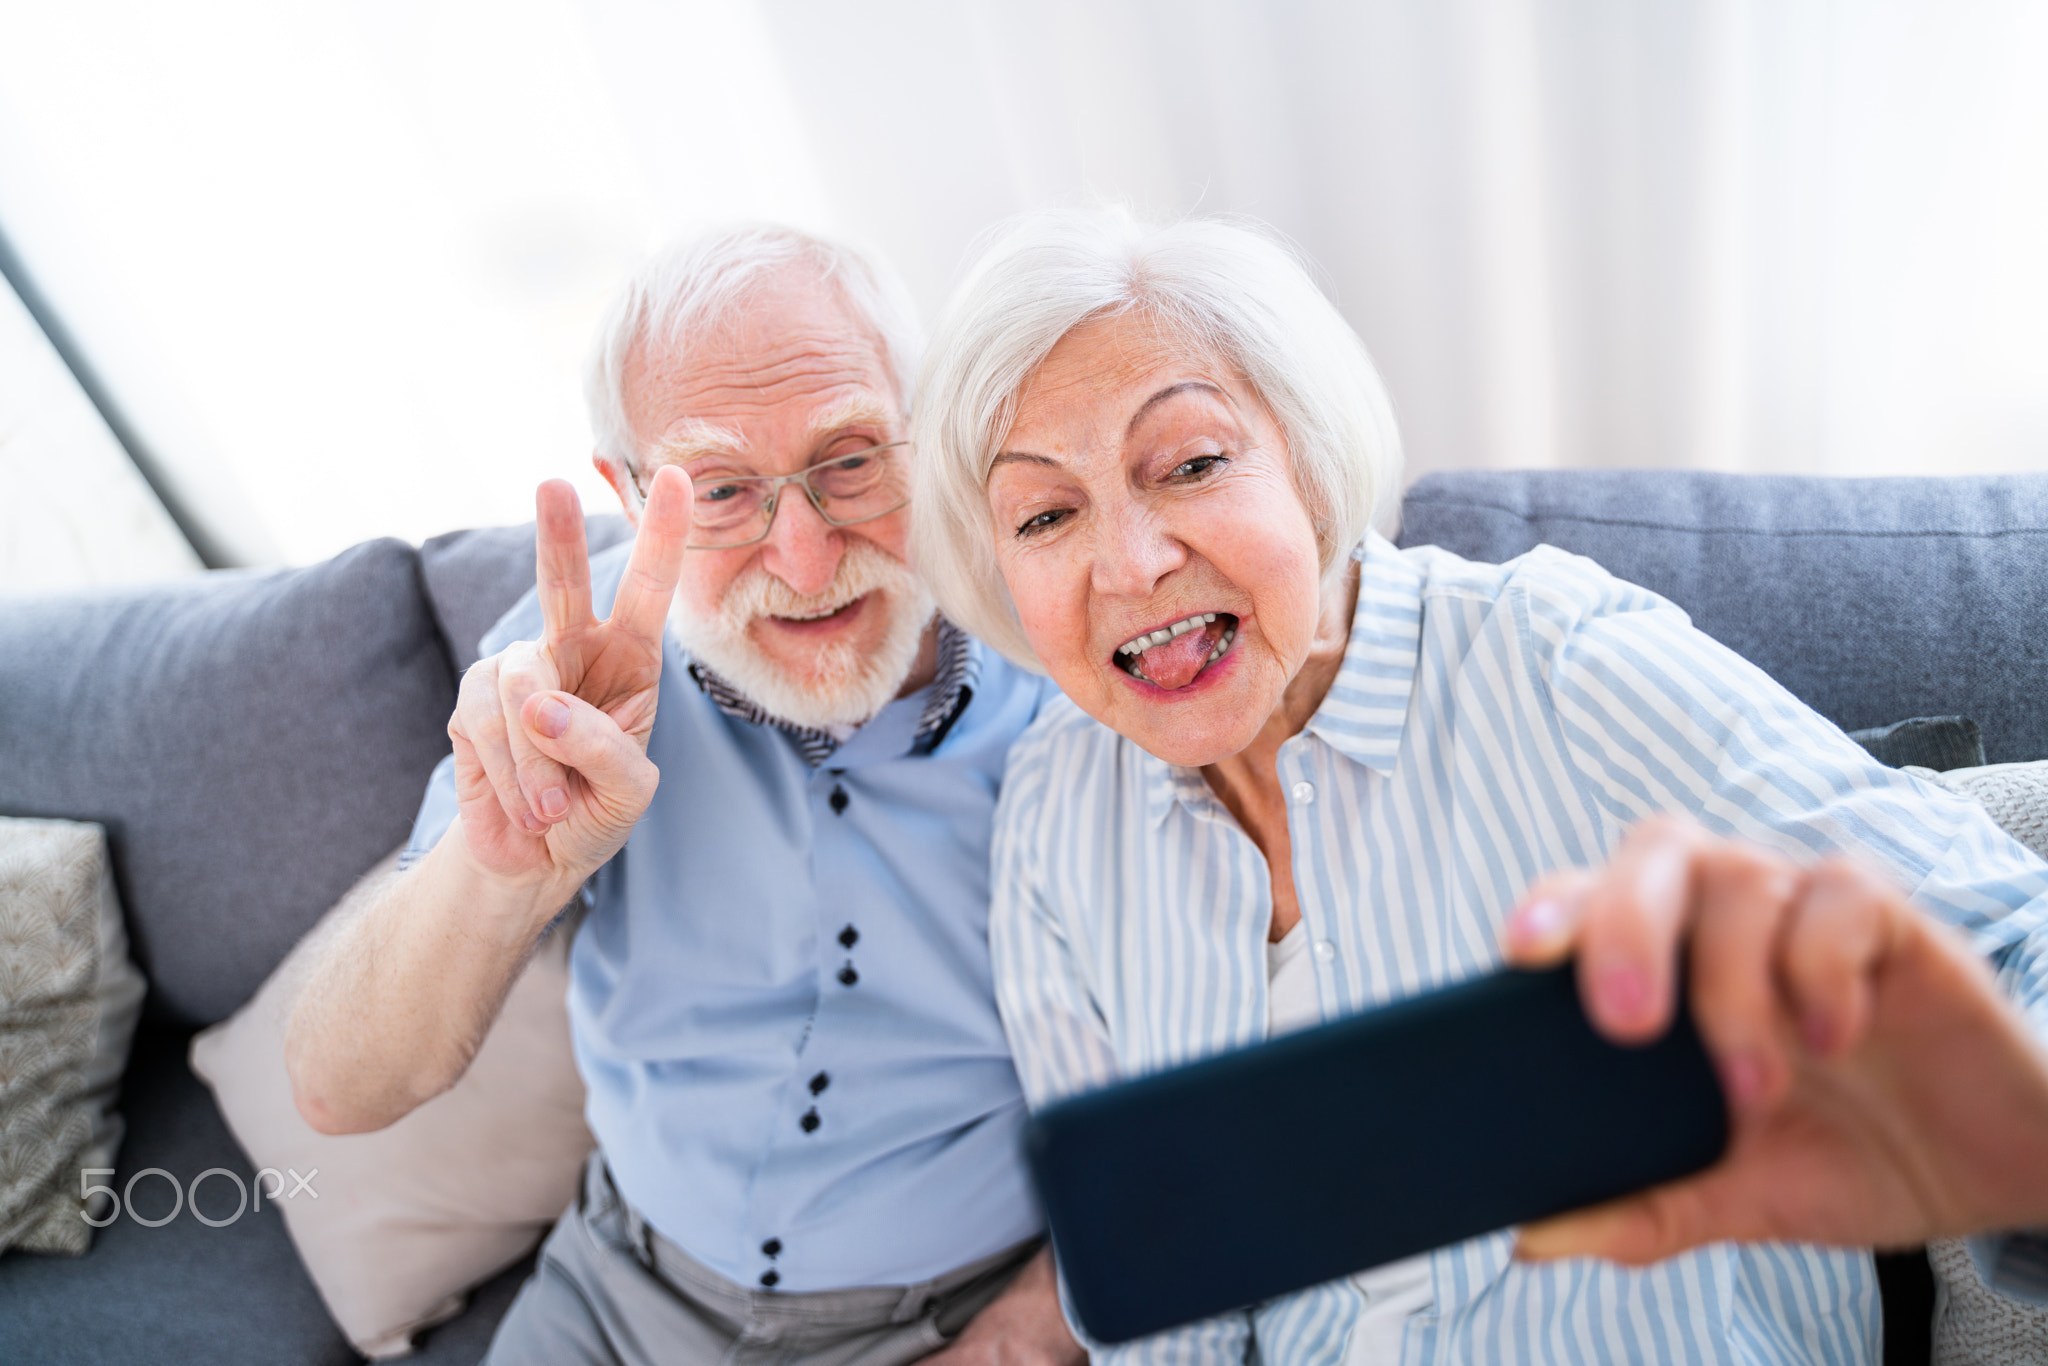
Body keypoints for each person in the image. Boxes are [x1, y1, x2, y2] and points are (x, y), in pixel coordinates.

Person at [909, 206, 2048, 1363]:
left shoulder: (1554, 660)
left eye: (1192, 463)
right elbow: (1152, 1289)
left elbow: (2007, 936)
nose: (1131, 561)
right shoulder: (1053, 806)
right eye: (1045, 513)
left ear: (1305, 460)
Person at [285, 225, 1083, 1366]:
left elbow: (1215, 1076)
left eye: (852, 457)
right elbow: (337, 1088)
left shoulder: (1075, 659)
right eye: (720, 489)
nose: (805, 559)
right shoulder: (571, 665)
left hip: (954, 1320)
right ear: (625, 492)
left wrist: (1024, 1337)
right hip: (616, 1295)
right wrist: (505, 865)